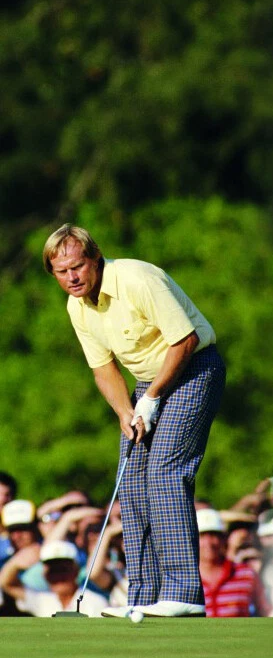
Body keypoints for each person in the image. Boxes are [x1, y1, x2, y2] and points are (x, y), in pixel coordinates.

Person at [43, 224, 226, 618]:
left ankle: (184, 593)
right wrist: (127, 411)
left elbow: (186, 340)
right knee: (132, 479)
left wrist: (153, 398)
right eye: (62, 272)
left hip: (194, 369)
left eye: (78, 266)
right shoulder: (78, 307)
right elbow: (103, 369)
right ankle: (143, 597)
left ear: (95, 258)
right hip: (148, 383)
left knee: (165, 471)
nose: (72, 277)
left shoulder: (137, 278)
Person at [0, 540, 109, 617]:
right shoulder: (43, 600)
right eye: (53, 571)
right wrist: (14, 564)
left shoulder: (96, 602)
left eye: (63, 570)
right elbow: (7, 584)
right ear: (45, 575)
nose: (58, 577)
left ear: (75, 571)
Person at [197, 508, 269, 617]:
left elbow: (266, 611)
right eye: (202, 536)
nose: (209, 543)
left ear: (223, 539)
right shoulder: (186, 578)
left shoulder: (246, 574)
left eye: (213, 535)